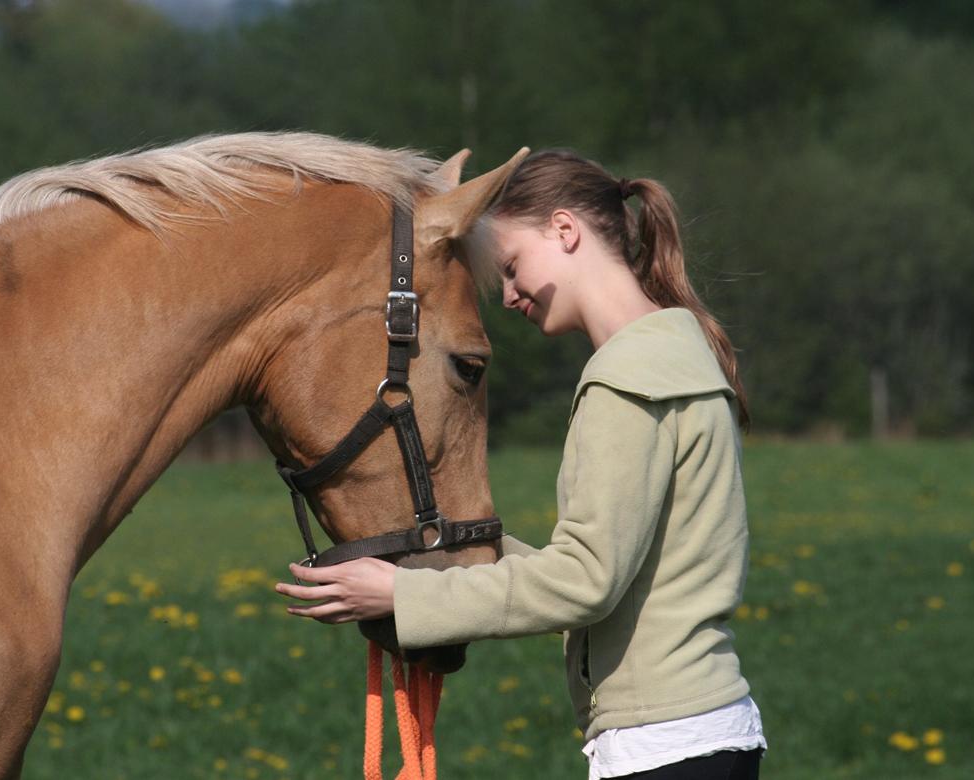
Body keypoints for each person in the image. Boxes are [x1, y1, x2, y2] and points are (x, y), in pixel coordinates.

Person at [275, 149, 766, 779]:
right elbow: (617, 574)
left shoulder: (625, 378)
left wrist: (402, 592)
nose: (507, 296)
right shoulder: (678, 355)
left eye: (510, 267)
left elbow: (586, 581)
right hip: (702, 734)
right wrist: (451, 540)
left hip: (660, 749)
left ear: (565, 231)